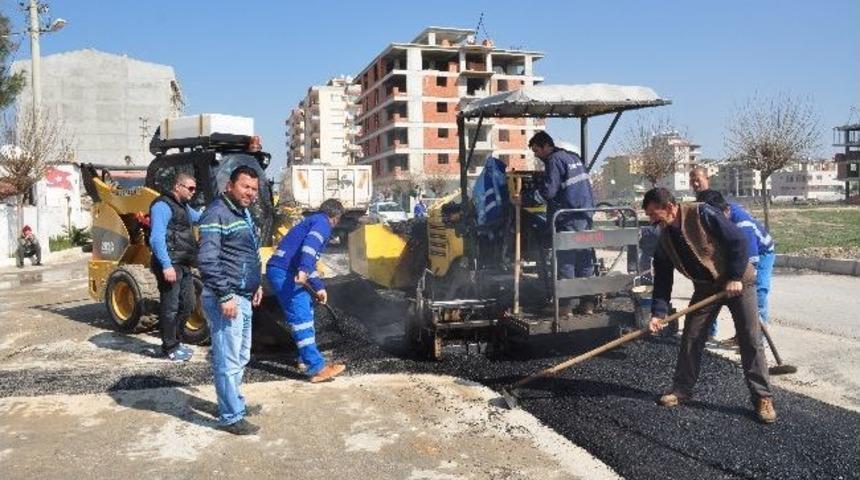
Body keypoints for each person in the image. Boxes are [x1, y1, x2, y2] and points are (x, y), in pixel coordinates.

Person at [642, 187, 776, 424]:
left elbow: (738, 240)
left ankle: (762, 397)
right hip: (706, 287)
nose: (651, 219)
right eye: (648, 215)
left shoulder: (702, 213)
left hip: (738, 280)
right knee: (692, 336)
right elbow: (662, 278)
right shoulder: (664, 237)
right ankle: (681, 390)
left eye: (654, 213)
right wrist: (658, 313)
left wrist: (734, 277)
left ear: (670, 208)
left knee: (749, 338)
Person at [197, 166, 264, 435]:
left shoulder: (243, 213)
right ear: (229, 186)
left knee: (240, 356)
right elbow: (207, 259)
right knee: (227, 359)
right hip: (226, 297)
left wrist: (255, 284)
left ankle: (234, 402)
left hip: (244, 296)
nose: (250, 193)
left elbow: (247, 253)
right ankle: (230, 416)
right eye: (245, 187)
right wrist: (225, 295)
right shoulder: (216, 213)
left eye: (254, 189)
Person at [267, 198, 347, 383]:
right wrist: (303, 269)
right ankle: (316, 368)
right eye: (338, 219)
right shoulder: (322, 222)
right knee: (301, 317)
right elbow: (309, 248)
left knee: (306, 311)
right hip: (285, 272)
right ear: (335, 216)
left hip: (283, 270)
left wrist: (319, 288)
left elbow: (309, 261)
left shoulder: (312, 221)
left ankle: (305, 359)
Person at [529, 131, 596, 315]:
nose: (536, 155)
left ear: (545, 146)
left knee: (566, 257)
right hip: (586, 212)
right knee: (584, 256)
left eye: (536, 150)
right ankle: (588, 303)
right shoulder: (572, 157)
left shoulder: (554, 160)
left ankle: (566, 305)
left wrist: (527, 198)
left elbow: (549, 192)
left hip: (569, 215)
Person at [697, 190, 776, 345]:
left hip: (762, 252)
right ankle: (738, 335)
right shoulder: (710, 217)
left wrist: (737, 279)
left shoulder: (742, 224)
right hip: (735, 251)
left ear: (726, 211)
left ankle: (758, 339)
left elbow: (750, 262)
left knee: (756, 292)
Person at [149, 172, 201, 361]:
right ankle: (169, 346)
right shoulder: (162, 206)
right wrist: (166, 265)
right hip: (170, 264)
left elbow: (201, 218)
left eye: (195, 188)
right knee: (170, 307)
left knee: (188, 305)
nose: (193, 192)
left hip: (184, 263)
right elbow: (156, 238)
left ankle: (176, 340)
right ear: (177, 186)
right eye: (190, 188)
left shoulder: (185, 208)